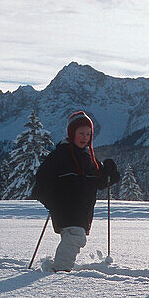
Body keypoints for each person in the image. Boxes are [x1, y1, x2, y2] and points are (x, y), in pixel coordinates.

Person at [32, 111, 119, 271]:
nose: (84, 137)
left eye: (88, 133)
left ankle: (58, 268)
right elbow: (40, 184)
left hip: (82, 211)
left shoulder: (89, 157)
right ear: (72, 133)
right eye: (81, 133)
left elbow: (100, 182)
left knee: (74, 237)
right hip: (64, 208)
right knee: (76, 237)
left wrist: (110, 174)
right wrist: (52, 202)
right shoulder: (60, 155)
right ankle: (61, 270)